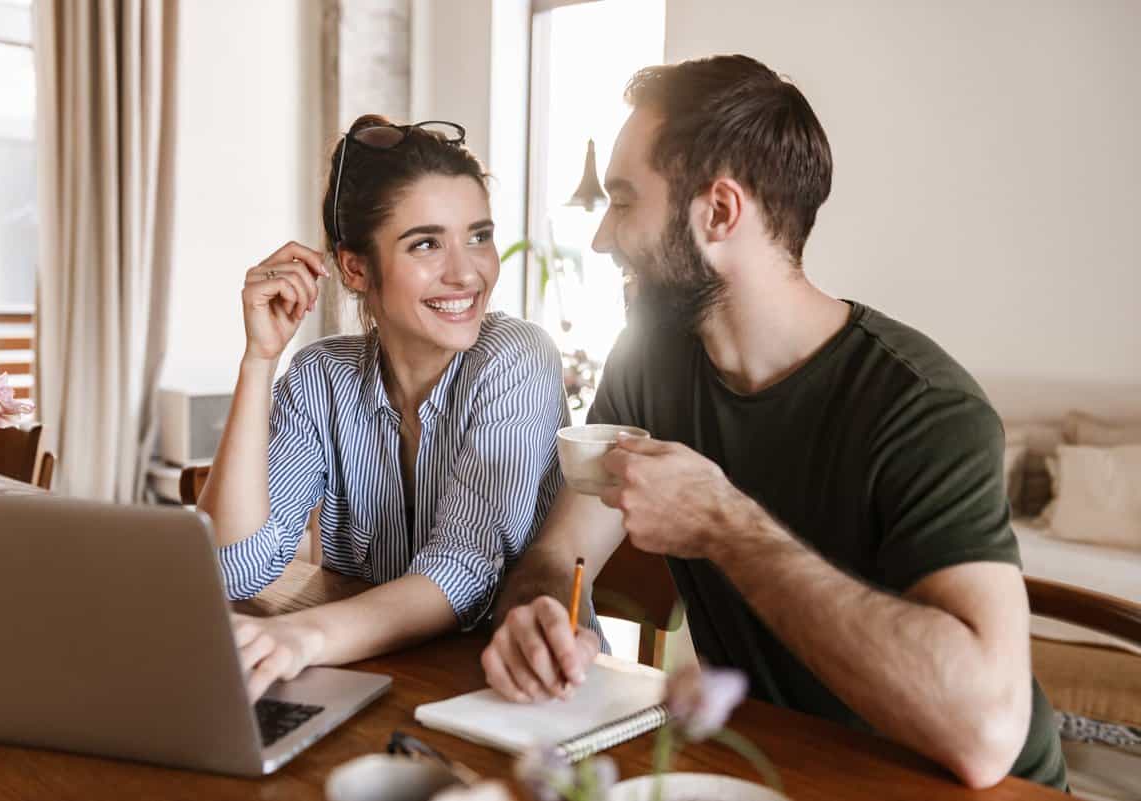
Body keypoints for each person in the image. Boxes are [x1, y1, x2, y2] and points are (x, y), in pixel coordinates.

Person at [480, 56, 1065, 790]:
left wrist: (725, 522)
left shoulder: (925, 408)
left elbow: (985, 732)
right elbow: (561, 554)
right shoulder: (650, 364)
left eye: (625, 202)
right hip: (776, 765)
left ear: (720, 212)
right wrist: (539, 613)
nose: (600, 238)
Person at [198, 115, 568, 702]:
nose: (466, 271)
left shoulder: (517, 358)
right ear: (355, 267)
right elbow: (234, 569)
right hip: (392, 683)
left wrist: (301, 637)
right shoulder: (321, 377)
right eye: (426, 243)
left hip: (516, 697)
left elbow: (464, 572)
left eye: (478, 235)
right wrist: (259, 360)